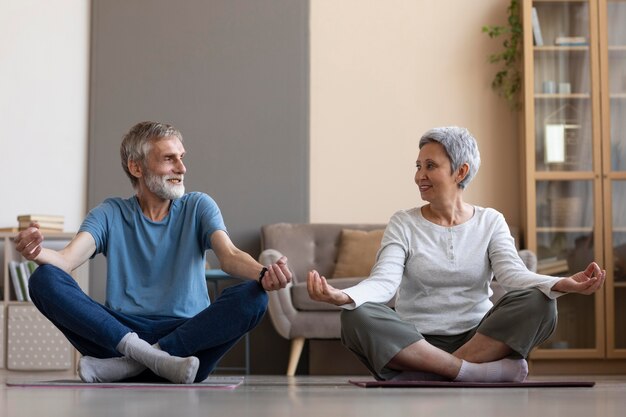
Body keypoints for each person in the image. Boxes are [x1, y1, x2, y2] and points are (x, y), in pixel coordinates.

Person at [307, 126, 605, 383]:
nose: (419, 176)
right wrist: (344, 296)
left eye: (430, 166)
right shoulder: (404, 222)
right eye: (418, 166)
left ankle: (431, 372)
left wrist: (560, 283)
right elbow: (384, 283)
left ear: (460, 171)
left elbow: (514, 277)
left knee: (541, 301)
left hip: (478, 337)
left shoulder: (490, 221)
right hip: (415, 339)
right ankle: (471, 372)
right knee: (356, 314)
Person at [15, 121, 292, 384]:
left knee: (254, 296)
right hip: (119, 334)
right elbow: (66, 260)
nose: (181, 167)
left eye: (182, 157)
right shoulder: (110, 213)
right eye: (169, 158)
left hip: (187, 338)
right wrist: (37, 251)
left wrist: (264, 273)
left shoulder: (198, 206)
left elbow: (229, 256)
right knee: (43, 279)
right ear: (136, 167)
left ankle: (133, 363)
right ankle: (150, 357)